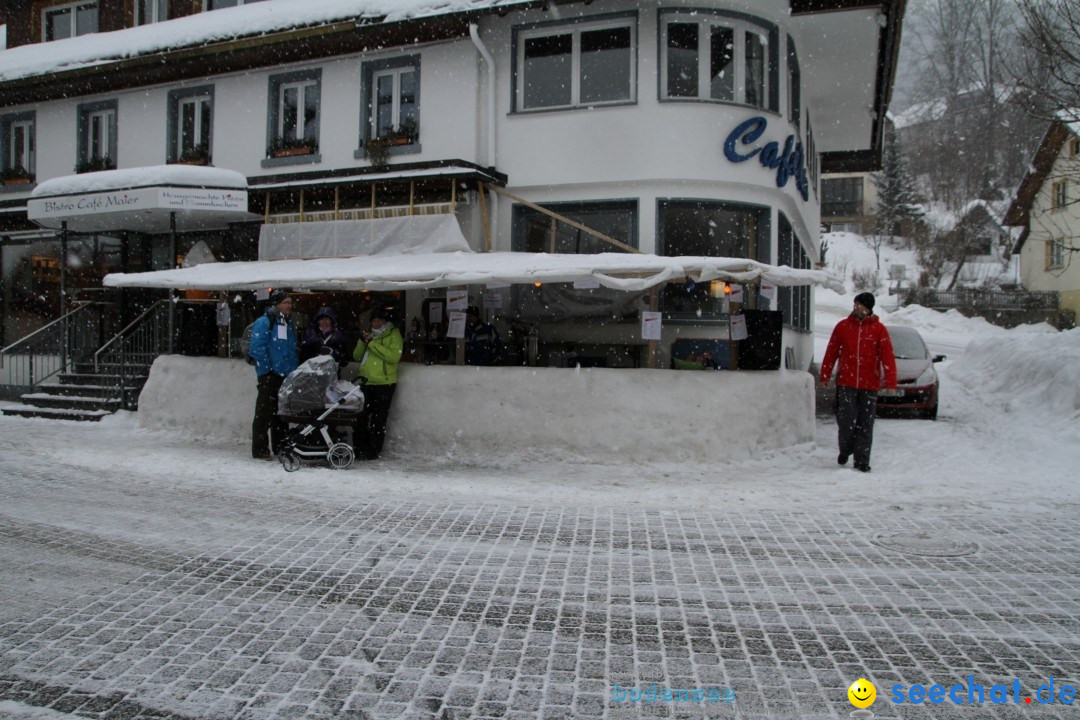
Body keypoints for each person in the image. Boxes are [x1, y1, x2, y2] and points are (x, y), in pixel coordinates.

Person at [819, 291, 898, 473]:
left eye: (860, 305)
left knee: (865, 424)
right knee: (845, 421)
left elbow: (887, 357)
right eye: (855, 304)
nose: (856, 307)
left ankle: (862, 460)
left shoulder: (879, 330)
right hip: (846, 383)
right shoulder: (843, 326)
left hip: (869, 385)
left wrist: (891, 382)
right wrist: (825, 375)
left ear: (868, 308)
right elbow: (832, 351)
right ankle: (846, 450)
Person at [249, 289, 298, 460]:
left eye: (290, 303)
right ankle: (260, 448)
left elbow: (290, 349)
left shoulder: (287, 323)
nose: (289, 306)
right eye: (286, 302)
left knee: (281, 413)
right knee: (264, 412)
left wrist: (292, 370)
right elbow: (257, 348)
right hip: (270, 374)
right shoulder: (265, 322)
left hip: (285, 375)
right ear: (276, 304)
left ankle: (280, 446)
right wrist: (267, 369)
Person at [352, 307, 403, 460]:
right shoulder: (368, 335)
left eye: (380, 319)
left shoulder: (394, 334)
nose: (376, 323)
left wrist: (373, 344)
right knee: (360, 416)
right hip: (366, 381)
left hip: (384, 383)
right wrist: (362, 342)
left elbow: (393, 357)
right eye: (374, 320)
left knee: (378, 419)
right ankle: (360, 447)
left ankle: (373, 450)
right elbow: (356, 356)